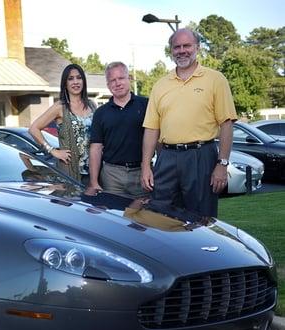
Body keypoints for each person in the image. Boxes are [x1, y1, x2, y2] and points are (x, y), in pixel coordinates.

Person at [141, 28, 237, 218]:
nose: (182, 50)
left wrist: (222, 164)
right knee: (160, 217)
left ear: (197, 48)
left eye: (187, 45)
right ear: (171, 50)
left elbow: (227, 124)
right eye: (177, 47)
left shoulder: (216, 79)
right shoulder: (160, 85)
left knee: (201, 220)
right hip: (166, 158)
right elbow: (152, 128)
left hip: (201, 157)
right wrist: (146, 165)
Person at [85, 61, 148, 197]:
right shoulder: (101, 113)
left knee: (143, 216)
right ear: (108, 85)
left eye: (121, 78)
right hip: (111, 175)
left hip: (141, 173)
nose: (117, 83)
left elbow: (157, 139)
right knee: (113, 215)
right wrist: (94, 181)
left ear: (129, 79)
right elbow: (95, 148)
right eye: (112, 80)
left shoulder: (146, 105)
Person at [29, 64, 96, 185]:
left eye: (78, 77)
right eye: (70, 78)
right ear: (65, 83)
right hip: (70, 172)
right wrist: (53, 151)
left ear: (83, 81)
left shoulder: (91, 105)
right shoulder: (60, 107)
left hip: (93, 171)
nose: (75, 82)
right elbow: (34, 128)